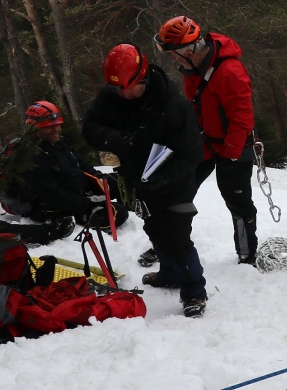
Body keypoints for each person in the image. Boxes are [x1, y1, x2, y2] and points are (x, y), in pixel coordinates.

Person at [83, 43, 208, 318]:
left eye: (129, 88)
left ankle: (195, 291)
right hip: (136, 178)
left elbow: (192, 154)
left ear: (143, 77)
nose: (124, 94)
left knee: (176, 236)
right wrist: (112, 138)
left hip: (174, 181)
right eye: (118, 89)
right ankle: (169, 274)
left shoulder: (174, 106)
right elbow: (89, 127)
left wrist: (161, 178)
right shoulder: (112, 96)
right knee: (154, 228)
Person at [151, 15, 258, 265]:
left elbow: (242, 117)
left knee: (237, 201)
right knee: (180, 191)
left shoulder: (229, 71)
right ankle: (171, 243)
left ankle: (247, 254)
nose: (172, 58)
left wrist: (230, 153)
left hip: (234, 146)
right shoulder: (193, 69)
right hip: (205, 142)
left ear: (188, 51)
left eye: (173, 52)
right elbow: (194, 107)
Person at [0, 100, 128, 243]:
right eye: (49, 126)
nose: (56, 129)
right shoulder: (32, 157)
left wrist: (97, 177)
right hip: (56, 207)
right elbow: (52, 196)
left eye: (57, 125)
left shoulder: (58, 143)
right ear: (34, 127)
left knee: (121, 181)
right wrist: (88, 205)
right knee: (119, 213)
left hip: (74, 189)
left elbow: (79, 162)